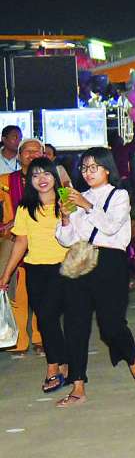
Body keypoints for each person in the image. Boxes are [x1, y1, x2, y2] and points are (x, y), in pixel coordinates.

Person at [53, 148, 135, 408]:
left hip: (110, 262)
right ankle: (77, 386)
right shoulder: (78, 197)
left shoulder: (119, 195)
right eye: (84, 168)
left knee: (111, 326)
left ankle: (133, 359)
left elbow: (110, 226)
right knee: (74, 325)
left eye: (93, 167)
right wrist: (65, 217)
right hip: (80, 261)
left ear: (107, 169)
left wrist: (86, 206)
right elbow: (66, 239)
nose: (88, 172)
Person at [0, 156, 70, 391]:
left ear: (55, 177)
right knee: (46, 319)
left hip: (63, 268)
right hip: (35, 270)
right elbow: (21, 242)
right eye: (36, 175)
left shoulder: (65, 202)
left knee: (49, 317)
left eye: (46, 173)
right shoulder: (25, 208)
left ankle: (54, 366)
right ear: (29, 180)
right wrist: (6, 275)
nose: (42, 179)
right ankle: (62, 362)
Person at [2, 138, 47, 354]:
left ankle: (41, 339)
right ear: (19, 156)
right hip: (15, 244)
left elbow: (68, 205)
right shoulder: (5, 181)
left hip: (45, 245)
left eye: (36, 151)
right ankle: (18, 341)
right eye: (27, 151)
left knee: (43, 297)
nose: (31, 154)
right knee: (17, 295)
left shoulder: (52, 180)